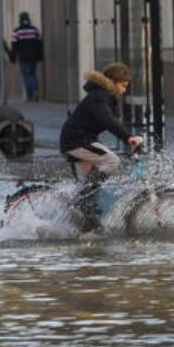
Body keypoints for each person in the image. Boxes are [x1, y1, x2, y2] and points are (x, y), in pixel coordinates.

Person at [60, 63, 143, 227]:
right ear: (112, 82)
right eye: (123, 85)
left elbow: (113, 120)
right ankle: (82, 199)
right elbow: (107, 120)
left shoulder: (103, 97)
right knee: (112, 161)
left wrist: (129, 136)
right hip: (77, 141)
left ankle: (87, 226)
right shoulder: (99, 96)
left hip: (78, 140)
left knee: (89, 197)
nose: (124, 90)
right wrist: (128, 138)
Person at [10, 12, 43, 102]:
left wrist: (12, 58)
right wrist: (40, 56)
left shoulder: (17, 31)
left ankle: (29, 95)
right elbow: (39, 44)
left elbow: (14, 46)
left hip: (23, 57)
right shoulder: (35, 30)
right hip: (33, 57)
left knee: (25, 76)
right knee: (32, 74)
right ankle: (35, 89)